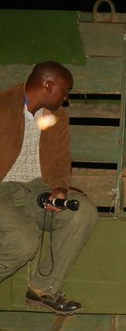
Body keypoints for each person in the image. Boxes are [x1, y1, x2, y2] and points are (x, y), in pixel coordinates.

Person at [0, 61, 98, 315]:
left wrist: (59, 189)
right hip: (2, 193)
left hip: (35, 189)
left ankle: (43, 290)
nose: (66, 98)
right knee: (22, 244)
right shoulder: (3, 107)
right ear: (47, 86)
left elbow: (60, 159)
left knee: (82, 211)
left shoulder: (57, 116)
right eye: (64, 91)